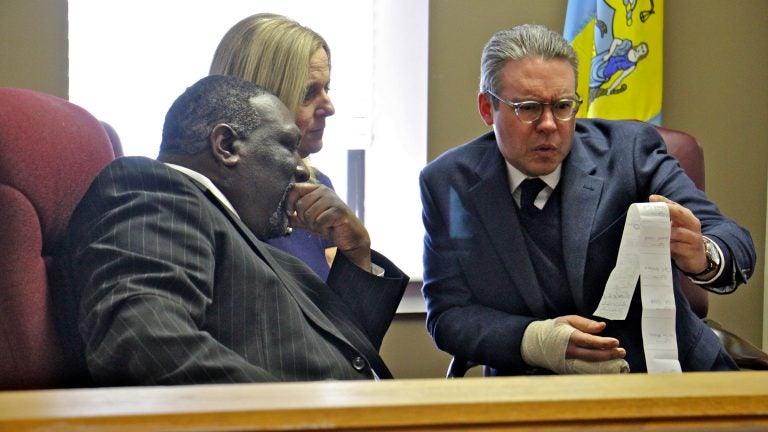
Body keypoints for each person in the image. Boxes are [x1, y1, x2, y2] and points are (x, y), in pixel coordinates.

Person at [419, 24, 755, 375]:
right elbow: (449, 315)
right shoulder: (449, 183)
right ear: (488, 108)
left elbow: (733, 239)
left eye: (564, 105)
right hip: (535, 386)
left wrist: (704, 255)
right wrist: (535, 341)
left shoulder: (630, 151)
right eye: (529, 107)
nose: (549, 124)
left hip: (662, 373)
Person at [63, 75, 408, 385]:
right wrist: (303, 414)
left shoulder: (242, 236)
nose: (302, 170)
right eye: (288, 146)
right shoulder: (155, 190)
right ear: (226, 145)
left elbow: (351, 353)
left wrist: (357, 250)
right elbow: (144, 341)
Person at [210, 13, 338, 281]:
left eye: (327, 89)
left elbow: (348, 321)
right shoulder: (205, 204)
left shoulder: (315, 188)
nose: (329, 107)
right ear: (260, 101)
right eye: (308, 93)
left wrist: (359, 251)